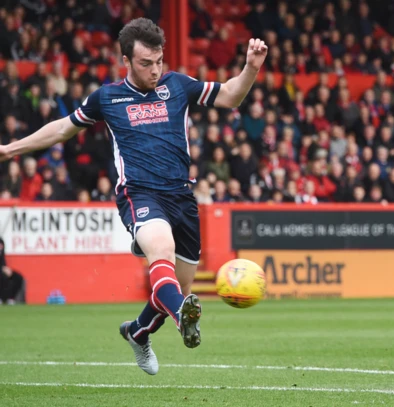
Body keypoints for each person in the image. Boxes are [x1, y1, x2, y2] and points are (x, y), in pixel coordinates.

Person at [0, 18, 268, 376]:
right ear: (125, 60)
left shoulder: (178, 85)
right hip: (139, 193)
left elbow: (232, 95)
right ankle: (183, 317)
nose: (155, 70)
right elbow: (62, 128)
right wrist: (9, 150)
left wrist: (250, 67)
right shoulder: (107, 97)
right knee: (162, 254)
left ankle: (138, 332)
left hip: (182, 198)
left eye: (159, 61)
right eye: (146, 63)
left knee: (172, 286)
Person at [0, 238, 26, 305]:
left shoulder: (1, 241)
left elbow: (2, 259)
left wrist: (5, 268)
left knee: (18, 277)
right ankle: (1, 298)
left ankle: (10, 298)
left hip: (3, 268)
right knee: (2, 277)